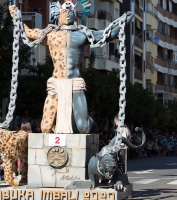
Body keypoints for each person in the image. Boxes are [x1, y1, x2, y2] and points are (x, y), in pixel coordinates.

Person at [9, 1, 134, 134]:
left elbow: (108, 34)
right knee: (45, 127)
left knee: (84, 128)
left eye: (70, 12)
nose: (67, 14)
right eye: (64, 12)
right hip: (56, 83)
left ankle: (89, 121)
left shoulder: (83, 33)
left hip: (75, 83)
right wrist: (16, 16)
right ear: (58, 14)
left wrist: (123, 21)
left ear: (76, 15)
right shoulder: (50, 34)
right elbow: (27, 32)